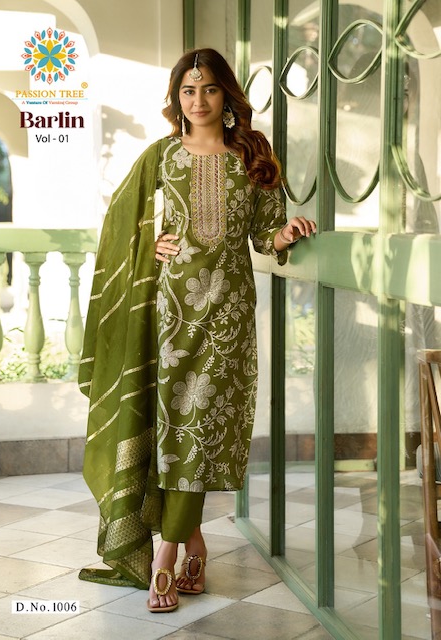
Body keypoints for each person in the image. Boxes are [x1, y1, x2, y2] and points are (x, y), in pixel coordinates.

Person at [78, 48, 316, 613]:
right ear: (176, 97)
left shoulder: (253, 155)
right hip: (171, 313)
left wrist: (287, 234)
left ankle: (165, 557)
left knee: (200, 430)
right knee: (173, 431)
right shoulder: (162, 156)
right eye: (188, 90)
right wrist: (150, 243)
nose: (198, 100)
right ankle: (195, 545)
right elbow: (123, 221)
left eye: (209, 89)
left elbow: (264, 235)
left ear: (226, 95)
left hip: (228, 318)